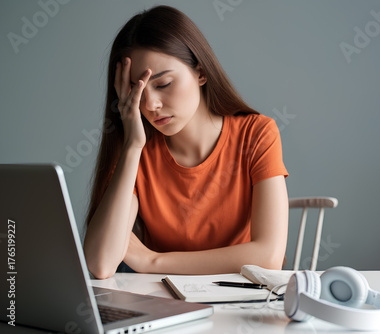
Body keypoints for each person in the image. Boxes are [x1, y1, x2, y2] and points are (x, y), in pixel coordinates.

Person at [83, 5, 289, 279]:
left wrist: (152, 261)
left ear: (201, 72)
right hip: (162, 305)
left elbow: (269, 257)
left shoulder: (256, 134)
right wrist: (132, 146)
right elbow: (100, 263)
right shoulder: (137, 151)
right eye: (136, 90)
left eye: (163, 83)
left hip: (239, 302)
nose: (150, 104)